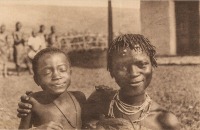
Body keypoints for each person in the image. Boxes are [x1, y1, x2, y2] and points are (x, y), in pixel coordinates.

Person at [17, 34, 179, 130]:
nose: (133, 73)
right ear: (111, 70)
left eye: (142, 64)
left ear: (153, 65)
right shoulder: (98, 100)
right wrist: (33, 102)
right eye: (122, 66)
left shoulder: (165, 121)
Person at [18, 47, 86, 129]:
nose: (57, 76)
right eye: (47, 72)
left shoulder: (79, 97)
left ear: (70, 73)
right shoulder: (33, 103)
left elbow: (88, 124)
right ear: (37, 80)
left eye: (62, 69)